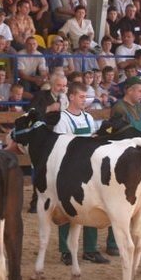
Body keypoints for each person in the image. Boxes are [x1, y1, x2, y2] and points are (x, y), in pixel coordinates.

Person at [52, 82, 112, 265]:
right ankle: (66, 251)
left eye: (85, 97)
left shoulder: (88, 117)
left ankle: (90, 249)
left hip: (88, 168)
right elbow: (60, 144)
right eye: (81, 96)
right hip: (69, 167)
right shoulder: (62, 118)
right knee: (67, 207)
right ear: (71, 96)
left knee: (91, 206)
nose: (84, 100)